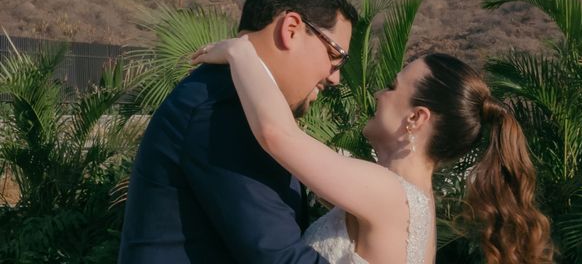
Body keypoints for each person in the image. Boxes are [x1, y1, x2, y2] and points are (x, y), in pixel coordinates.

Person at [192, 39, 554, 264]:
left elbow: (276, 135)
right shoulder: (409, 201)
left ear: (415, 117)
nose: (380, 94)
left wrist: (243, 53)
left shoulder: (389, 195)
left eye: (393, 86)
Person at [118, 0, 358, 263]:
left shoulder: (228, 95)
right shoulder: (226, 106)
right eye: (335, 57)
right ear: (291, 30)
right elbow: (278, 256)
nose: (335, 78)